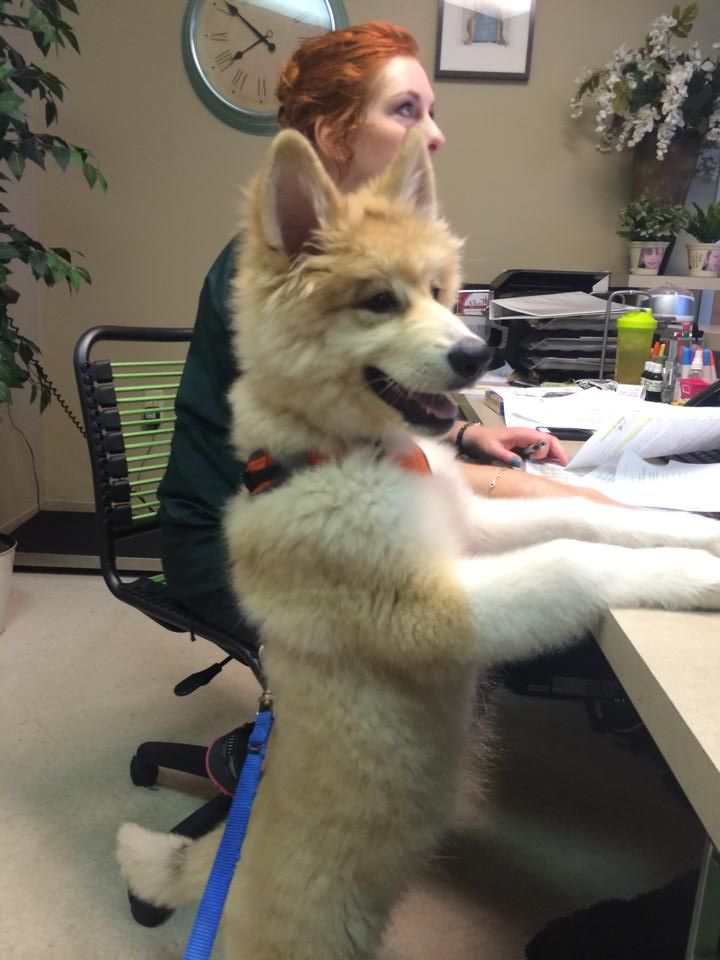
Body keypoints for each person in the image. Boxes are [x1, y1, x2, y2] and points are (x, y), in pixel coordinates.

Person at [157, 24, 617, 785]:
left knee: (549, 544)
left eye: (431, 112)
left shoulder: (370, 250)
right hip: (238, 539)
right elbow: (350, 462)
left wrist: (469, 438)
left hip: (337, 495)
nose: (433, 135)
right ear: (335, 133)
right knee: (546, 579)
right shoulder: (281, 273)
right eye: (407, 110)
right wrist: (557, 498)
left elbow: (374, 405)